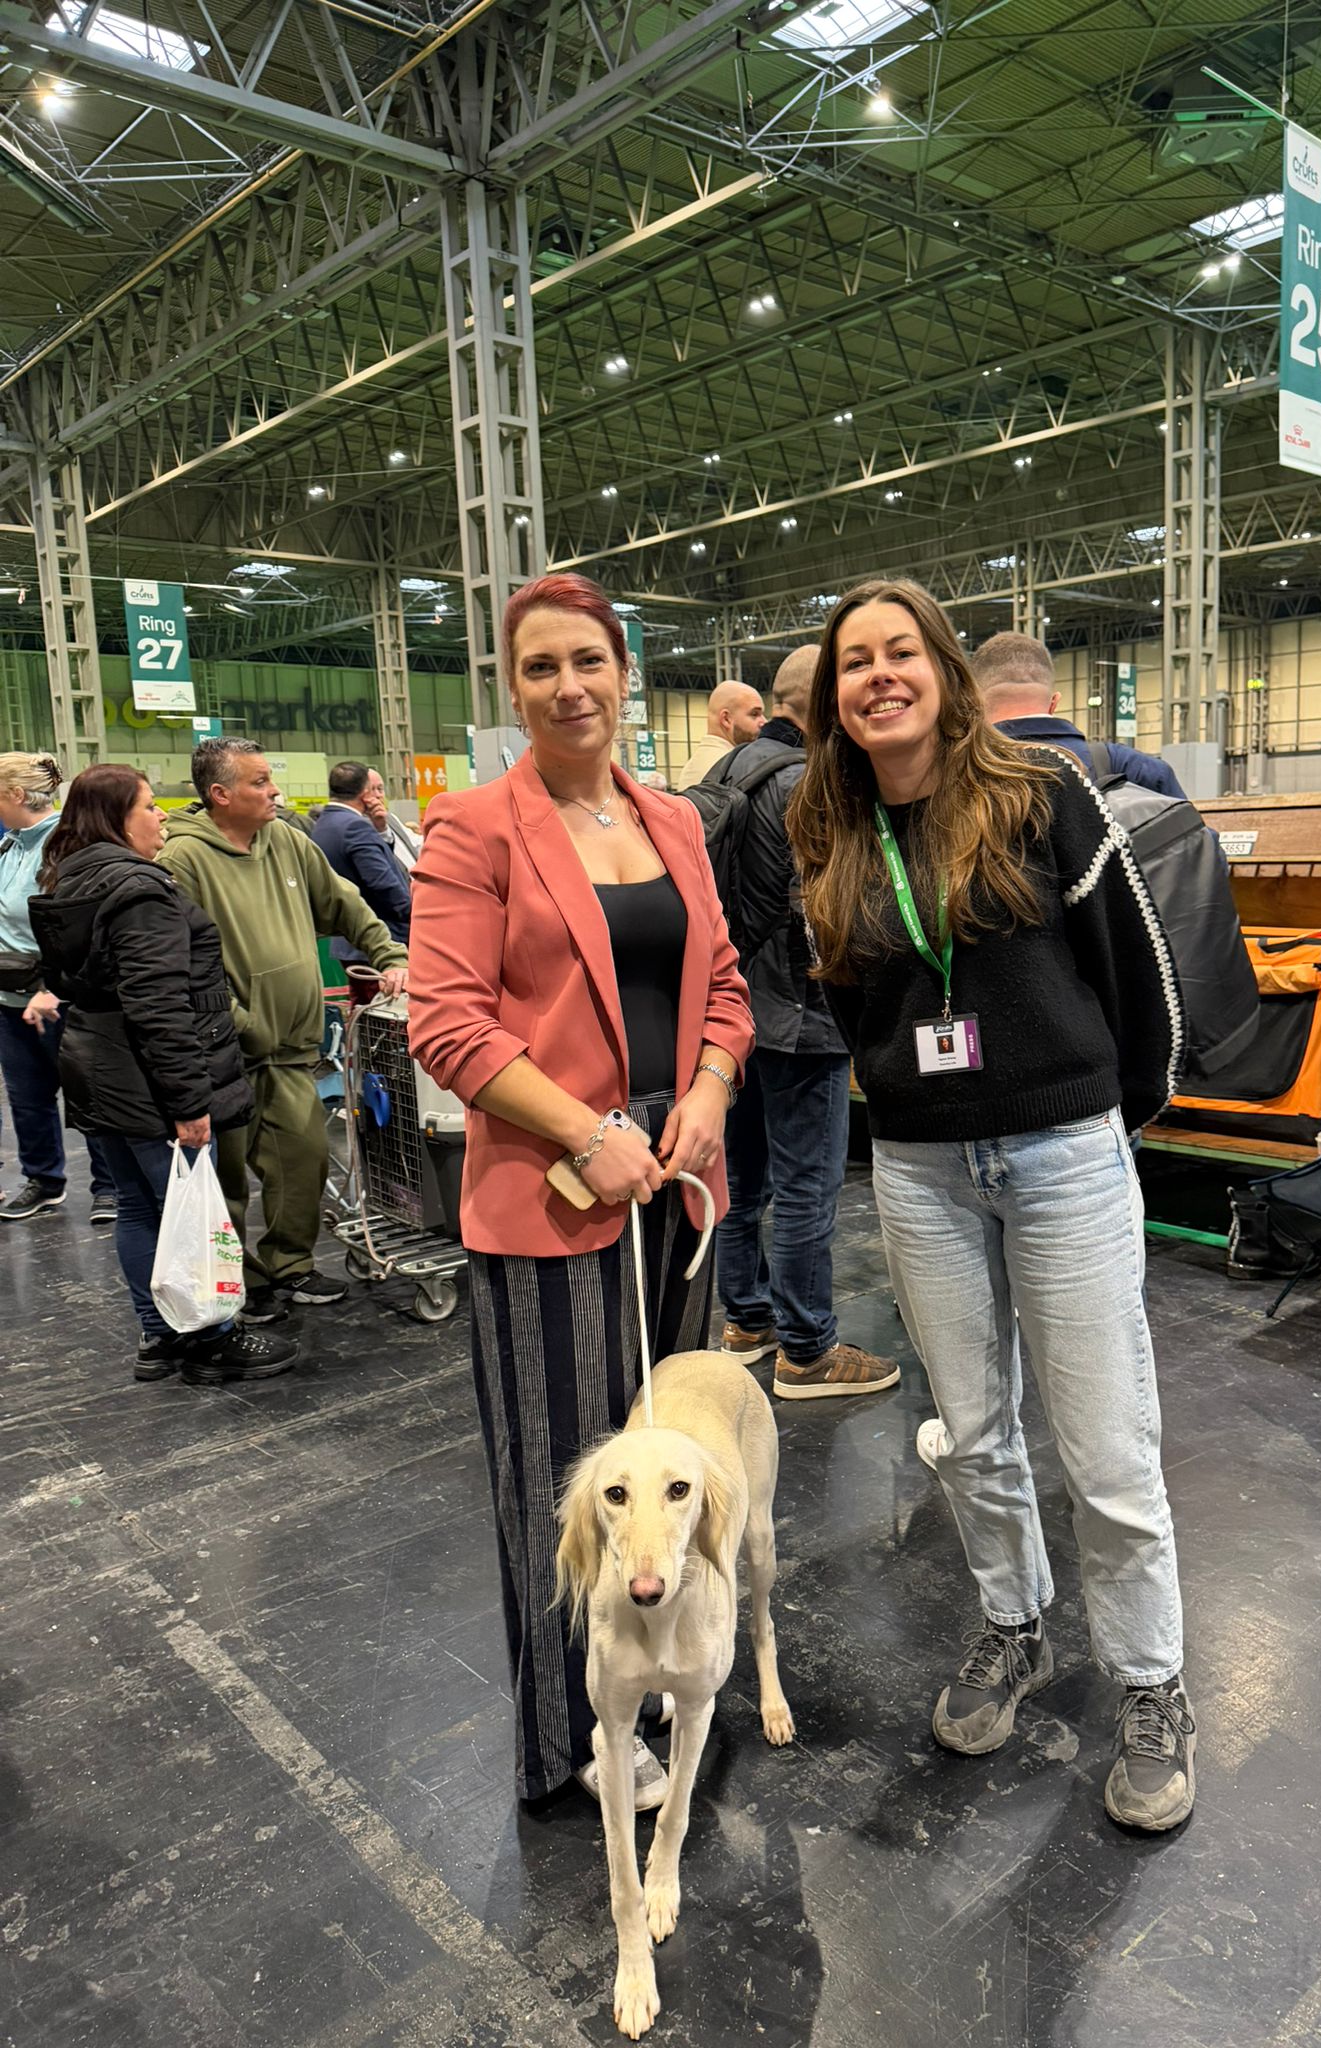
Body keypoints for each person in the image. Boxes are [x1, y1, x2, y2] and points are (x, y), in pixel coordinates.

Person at [786, 577, 1196, 1832]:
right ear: (833, 695)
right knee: (972, 1432)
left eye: (899, 651)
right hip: (919, 1169)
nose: (878, 676)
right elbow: (857, 1003)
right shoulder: (829, 829)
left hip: (1065, 1152)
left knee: (1108, 1446)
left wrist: (1105, 1113)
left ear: (943, 668)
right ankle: (1012, 1628)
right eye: (855, 661)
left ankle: (1149, 1681)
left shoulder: (1039, 794)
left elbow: (1132, 967)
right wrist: (909, 1099)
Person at [408, 570, 753, 1811]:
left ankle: (668, 1676)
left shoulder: (676, 822)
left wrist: (710, 1089)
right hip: (553, 1192)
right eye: (541, 666)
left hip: (678, 1183)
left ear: (624, 673)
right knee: (566, 1483)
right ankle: (572, 1742)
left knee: (667, 1463)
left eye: (589, 661)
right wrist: (585, 1128)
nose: (570, 686)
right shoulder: (476, 830)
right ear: (513, 686)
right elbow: (443, 1022)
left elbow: (722, 988)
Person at [28, 766, 299, 1387]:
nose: (164, 818)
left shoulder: (69, 878)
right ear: (117, 817)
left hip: (95, 1065)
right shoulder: (139, 890)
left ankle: (159, 1335)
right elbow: (158, 1007)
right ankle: (212, 1339)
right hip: (147, 1078)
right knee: (188, 1208)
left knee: (139, 1207)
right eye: (151, 807)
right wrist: (187, 1100)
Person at [159, 739, 408, 1323]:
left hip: (292, 1050)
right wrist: (240, 1023)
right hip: (224, 1055)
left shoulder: (288, 840)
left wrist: (389, 951)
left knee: (303, 1158)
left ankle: (289, 1266)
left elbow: (345, 902)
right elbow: (189, 964)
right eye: (260, 782)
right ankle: (239, 1284)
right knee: (225, 1182)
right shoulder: (182, 860)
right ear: (220, 794)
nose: (276, 790)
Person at [712, 644, 897, 1399]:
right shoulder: (812, 783)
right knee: (805, 1189)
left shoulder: (724, 772)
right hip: (802, 1017)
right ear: (820, 705)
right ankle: (808, 1349)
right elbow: (836, 909)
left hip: (727, 1014)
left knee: (739, 1180)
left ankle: (746, 1321)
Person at [0, 751, 115, 1225]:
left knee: (86, 1096)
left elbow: (79, 931)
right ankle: (43, 1181)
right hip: (8, 1000)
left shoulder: (64, 849)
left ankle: (110, 1185)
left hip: (57, 997)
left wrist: (53, 986)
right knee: (27, 1099)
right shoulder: (8, 847)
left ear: (15, 795)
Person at [972, 632, 1187, 797]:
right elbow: (1198, 847)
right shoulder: (1126, 768)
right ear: (1053, 703)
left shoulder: (959, 775)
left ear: (977, 704)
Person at [309, 760, 414, 963]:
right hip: (382, 942)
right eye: (375, 789)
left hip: (349, 942)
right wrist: (413, 915)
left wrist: (381, 830)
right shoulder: (355, 827)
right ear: (365, 792)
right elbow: (383, 884)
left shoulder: (323, 824)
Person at [674, 680, 766, 790]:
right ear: (726, 719)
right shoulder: (732, 768)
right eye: (754, 714)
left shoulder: (695, 765)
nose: (764, 722)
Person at [359, 769, 421, 871]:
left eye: (380, 789)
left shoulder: (391, 818)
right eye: (371, 790)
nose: (378, 795)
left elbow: (416, 843)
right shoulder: (357, 826)